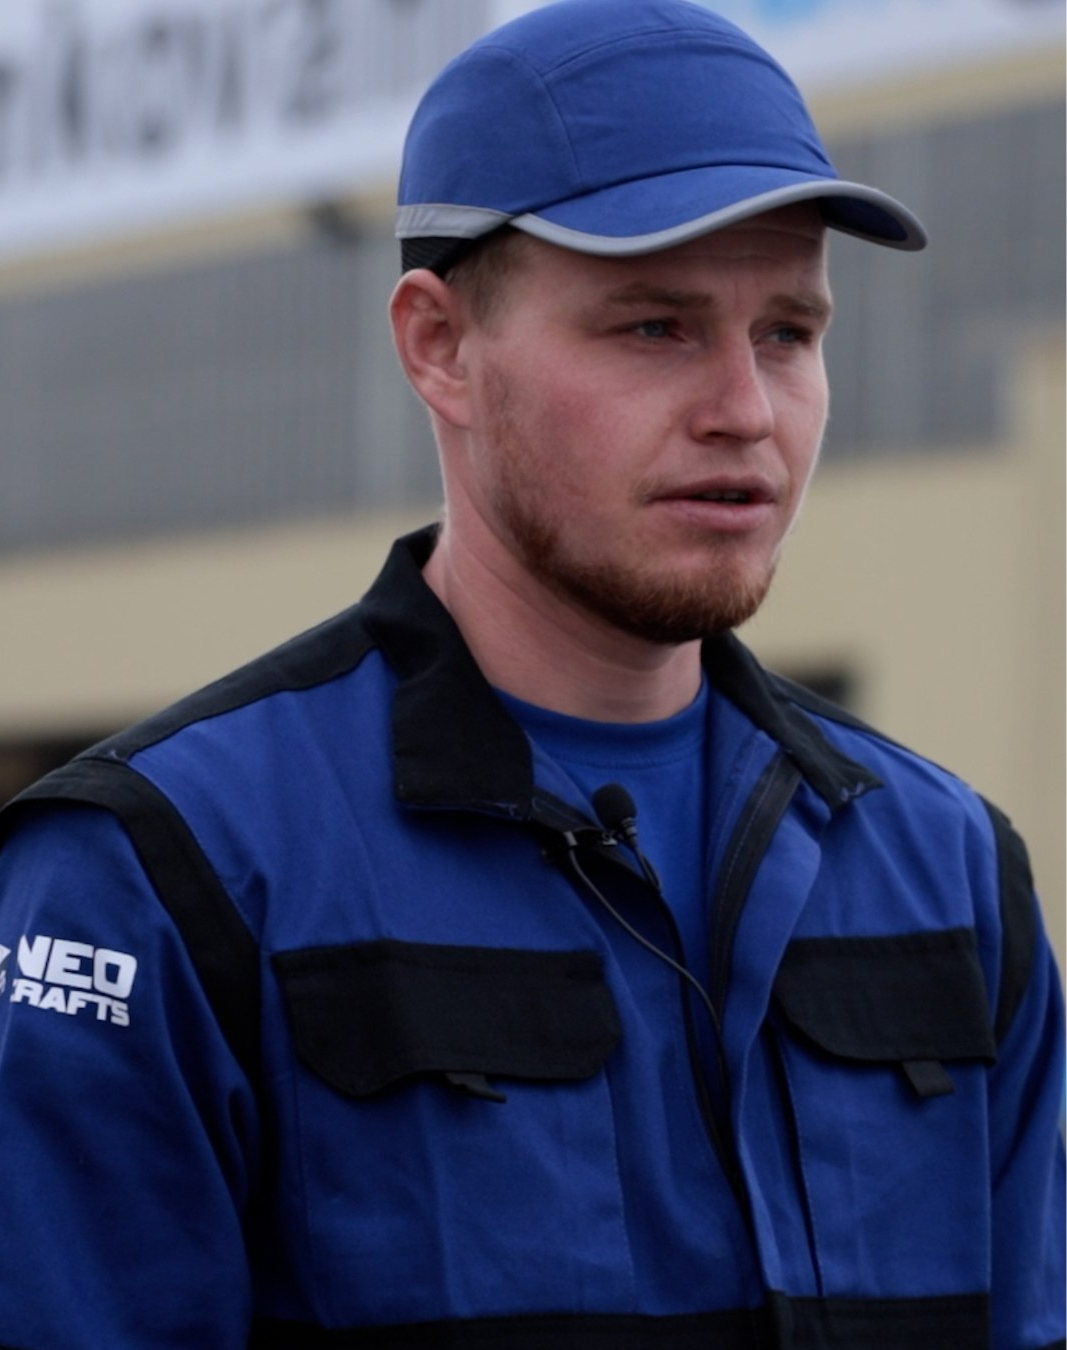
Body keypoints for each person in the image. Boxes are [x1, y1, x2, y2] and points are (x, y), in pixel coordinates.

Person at [0, 0, 1062, 1345]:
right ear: (438, 346)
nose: (747, 409)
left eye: (789, 332)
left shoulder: (949, 867)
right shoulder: (156, 876)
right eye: (655, 327)